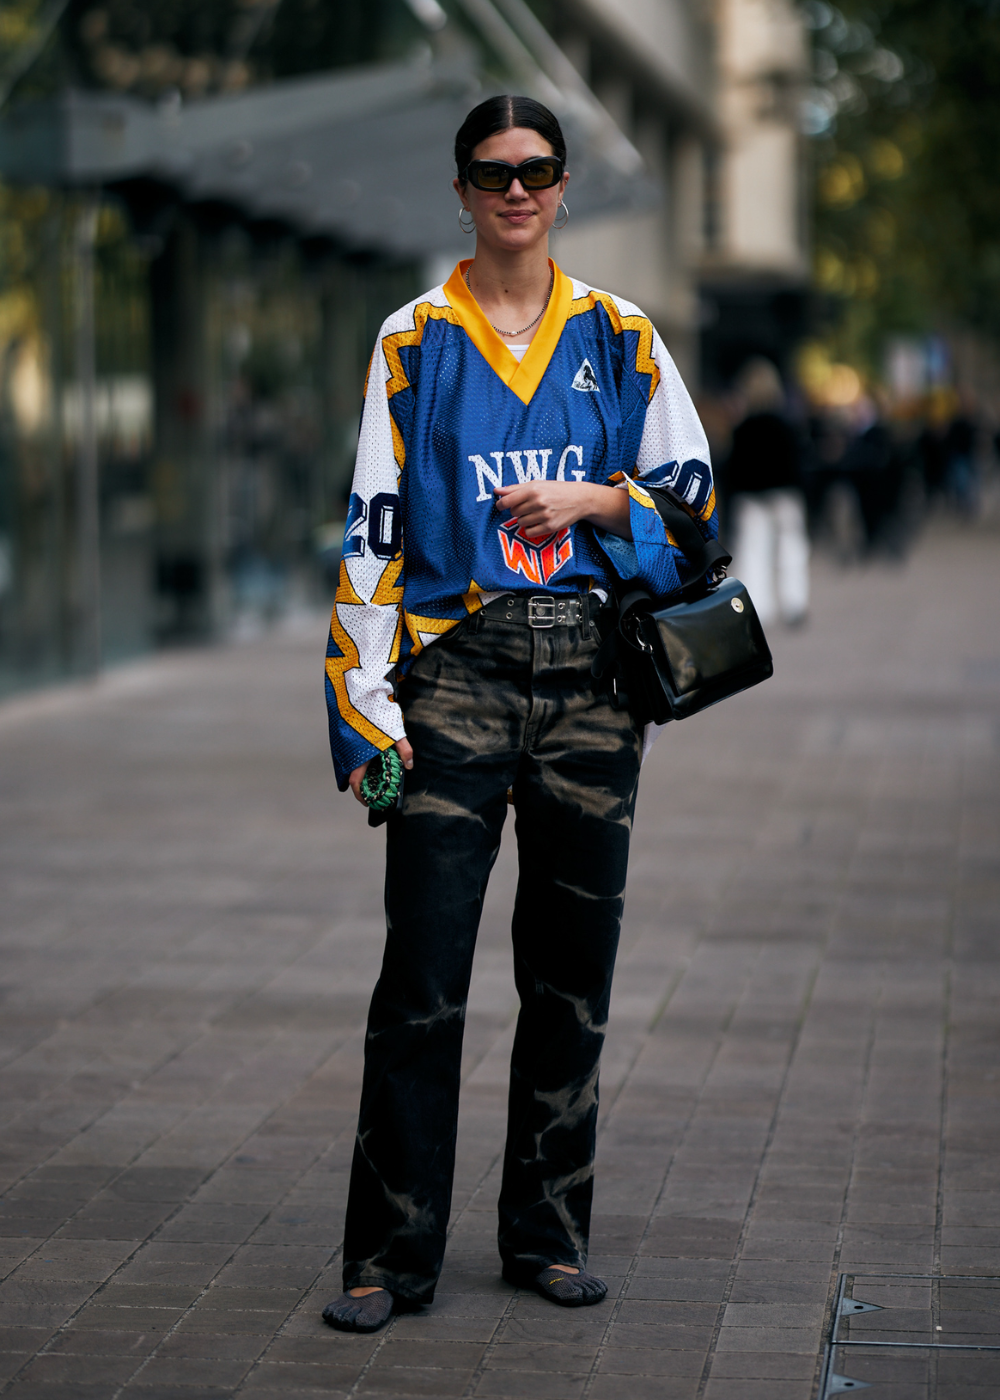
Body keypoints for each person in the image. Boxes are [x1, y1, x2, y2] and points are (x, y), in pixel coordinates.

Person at [321, 95, 717, 1334]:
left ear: (561, 185)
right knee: (421, 978)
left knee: (570, 977)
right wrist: (361, 712)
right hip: (457, 680)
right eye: (493, 171)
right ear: (461, 188)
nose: (516, 189)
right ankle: (388, 1254)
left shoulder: (622, 336)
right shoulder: (411, 340)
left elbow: (695, 513)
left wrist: (598, 500)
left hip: (593, 691)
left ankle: (547, 1232)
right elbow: (372, 538)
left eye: (537, 169)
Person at [725, 357, 809, 626]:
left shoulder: (742, 429)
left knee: (753, 551)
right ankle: (795, 603)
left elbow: (733, 469)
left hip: (751, 498)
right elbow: (799, 463)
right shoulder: (787, 425)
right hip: (785, 496)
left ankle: (758, 607)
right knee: (791, 549)